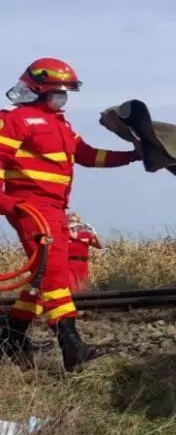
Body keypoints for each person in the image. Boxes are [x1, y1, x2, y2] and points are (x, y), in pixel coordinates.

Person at [0, 57, 140, 372]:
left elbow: (88, 155)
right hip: (31, 207)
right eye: (57, 91)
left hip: (54, 209)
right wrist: (7, 203)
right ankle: (72, 346)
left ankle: (11, 334)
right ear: (36, 90)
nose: (63, 96)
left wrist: (133, 156)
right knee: (55, 276)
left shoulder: (61, 124)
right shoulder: (15, 120)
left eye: (65, 91)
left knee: (44, 275)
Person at [67, 212, 103, 293]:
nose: (74, 223)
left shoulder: (85, 235)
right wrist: (67, 229)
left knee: (83, 288)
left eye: (76, 221)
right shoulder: (64, 234)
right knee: (72, 287)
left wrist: (94, 233)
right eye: (71, 221)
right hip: (69, 264)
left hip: (83, 264)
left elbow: (101, 246)